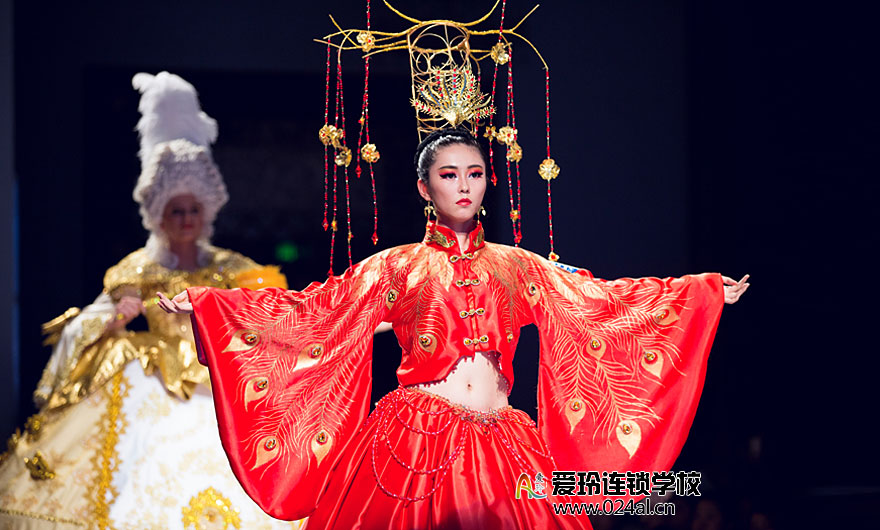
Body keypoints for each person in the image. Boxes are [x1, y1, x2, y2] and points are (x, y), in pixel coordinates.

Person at [158, 127, 748, 529]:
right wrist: (212, 306)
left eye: (475, 173)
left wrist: (699, 293)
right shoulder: (397, 265)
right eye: (449, 175)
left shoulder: (518, 265)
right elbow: (315, 313)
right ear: (425, 187)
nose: (464, 186)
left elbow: (600, 301)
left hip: (506, 440)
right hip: (416, 434)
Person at [0, 72, 302, 529]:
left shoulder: (233, 267)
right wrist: (115, 321)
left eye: (193, 210)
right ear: (159, 214)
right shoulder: (138, 269)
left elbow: (270, 314)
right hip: (154, 384)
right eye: (176, 211)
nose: (186, 219)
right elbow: (91, 319)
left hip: (218, 382)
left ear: (206, 212)